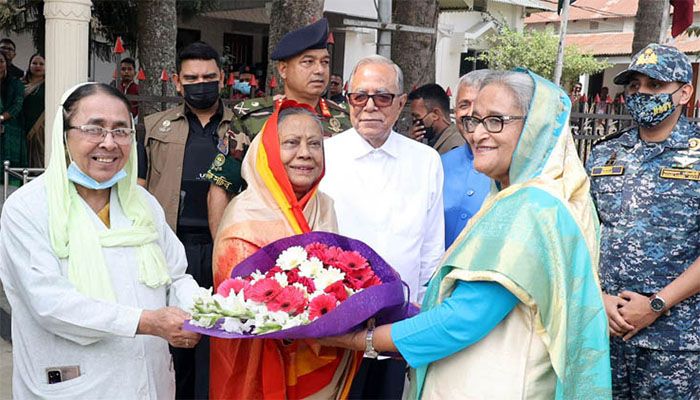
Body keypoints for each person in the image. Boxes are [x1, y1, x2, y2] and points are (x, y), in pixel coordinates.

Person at [321, 69, 612, 399]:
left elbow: (460, 320)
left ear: (536, 127)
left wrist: (356, 340)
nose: (478, 134)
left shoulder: (530, 209)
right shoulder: (523, 198)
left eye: (496, 121)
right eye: (474, 120)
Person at [0, 82, 201, 398]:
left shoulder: (143, 204)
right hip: (74, 384)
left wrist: (193, 313)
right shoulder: (29, 208)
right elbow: (49, 303)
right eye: (94, 129)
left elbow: (176, 277)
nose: (109, 143)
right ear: (64, 136)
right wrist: (147, 322)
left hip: (149, 381)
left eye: (121, 131)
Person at [210, 101, 360, 399]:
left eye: (315, 144)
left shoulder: (324, 205)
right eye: (291, 143)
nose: (305, 153)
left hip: (318, 361)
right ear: (267, 153)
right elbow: (242, 310)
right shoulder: (244, 217)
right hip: (255, 364)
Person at [320, 55, 445, 399]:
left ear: (401, 103)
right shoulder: (324, 156)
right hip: (334, 322)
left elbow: (432, 249)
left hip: (397, 323)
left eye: (383, 97)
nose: (370, 106)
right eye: (360, 96)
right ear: (348, 101)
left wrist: (419, 317)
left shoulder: (425, 161)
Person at [587, 43, 700, 399]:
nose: (642, 94)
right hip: (605, 331)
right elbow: (581, 233)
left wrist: (655, 306)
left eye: (655, 86)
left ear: (684, 92)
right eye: (634, 86)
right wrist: (598, 297)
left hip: (676, 344)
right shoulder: (604, 153)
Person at [140, 41, 236, 400]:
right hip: (171, 248)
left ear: (222, 78)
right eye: (192, 78)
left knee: (223, 339)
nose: (201, 84)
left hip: (224, 247)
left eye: (209, 77)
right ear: (178, 83)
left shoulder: (242, 126)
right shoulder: (153, 127)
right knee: (177, 341)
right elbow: (139, 188)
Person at [205, 18, 351, 236]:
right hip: (265, 241)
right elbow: (221, 187)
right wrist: (226, 252)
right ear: (283, 69)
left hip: (333, 235)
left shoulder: (345, 122)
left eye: (325, 62)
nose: (320, 70)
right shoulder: (254, 119)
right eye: (308, 62)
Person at [441, 70, 491, 248]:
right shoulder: (438, 165)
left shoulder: (512, 169)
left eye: (479, 104)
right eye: (464, 105)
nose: (471, 113)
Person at [408, 83, 465, 154]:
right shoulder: (429, 141)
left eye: (417, 116)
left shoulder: (455, 145)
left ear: (436, 114)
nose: (414, 121)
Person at [0, 51, 27, 173]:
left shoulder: (16, 83)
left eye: (1, 61)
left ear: (6, 64)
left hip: (12, 128)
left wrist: (1, 118)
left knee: (10, 165)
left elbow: (17, 105)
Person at [22, 53, 46, 168]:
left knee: (39, 157)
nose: (38, 66)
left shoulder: (49, 85)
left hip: (41, 128)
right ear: (29, 65)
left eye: (41, 64)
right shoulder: (20, 84)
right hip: (22, 126)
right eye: (34, 63)